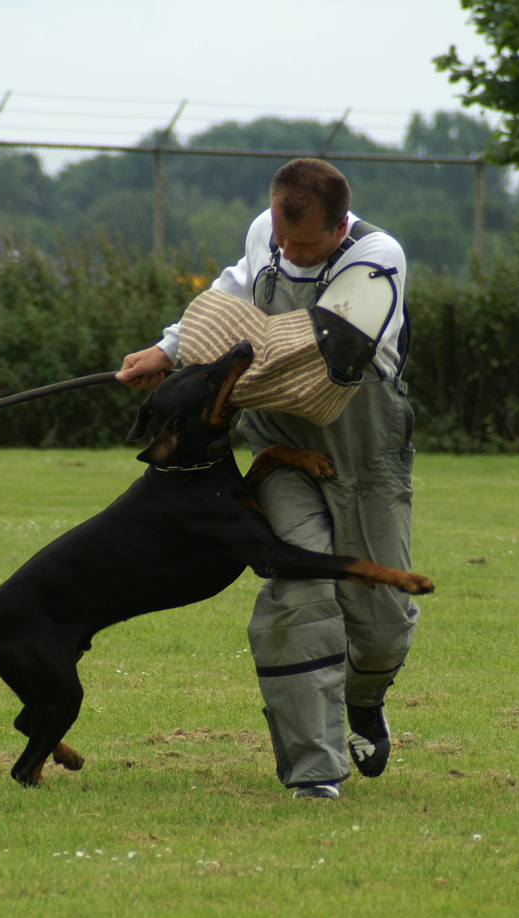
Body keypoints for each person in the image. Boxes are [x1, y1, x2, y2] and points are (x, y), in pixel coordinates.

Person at [117, 158, 418, 800]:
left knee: (381, 622)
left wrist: (215, 372)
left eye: (304, 242)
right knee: (298, 592)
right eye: (281, 237)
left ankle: (364, 701)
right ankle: (315, 773)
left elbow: (311, 360)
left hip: (364, 453)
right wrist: (170, 353)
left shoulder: (377, 260)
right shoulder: (270, 235)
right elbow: (226, 303)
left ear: (340, 226)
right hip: (279, 446)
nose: (287, 251)